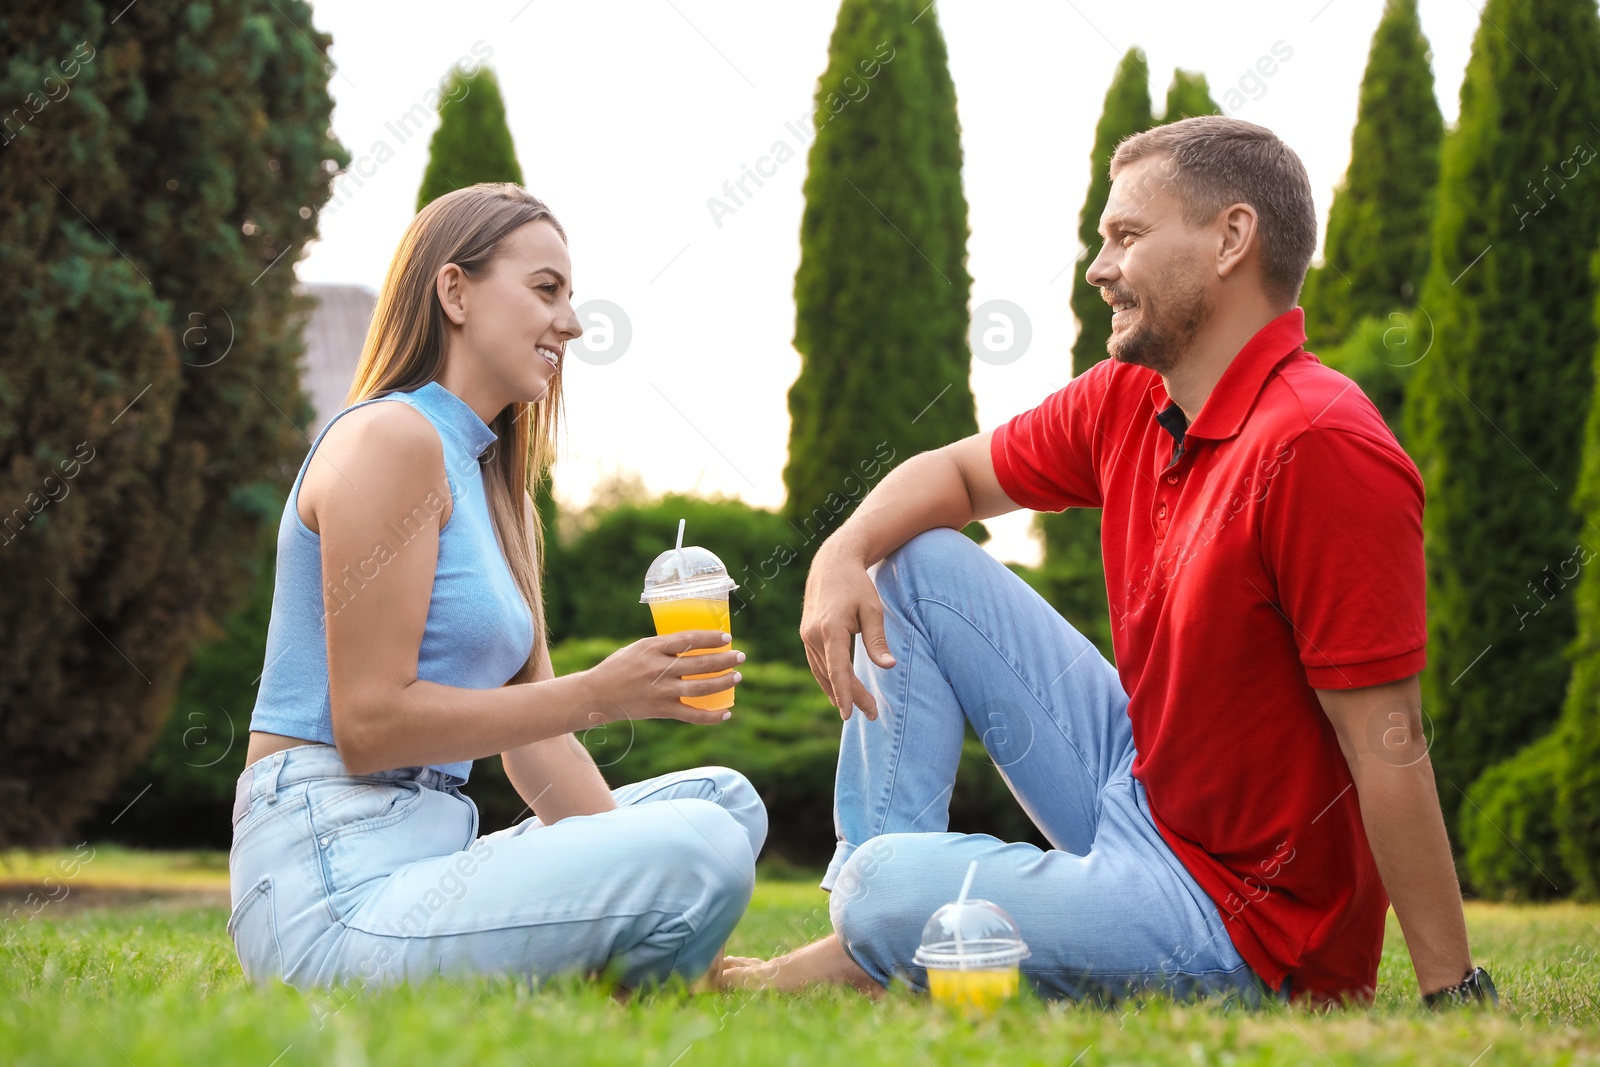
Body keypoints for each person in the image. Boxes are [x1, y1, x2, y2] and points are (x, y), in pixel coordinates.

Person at [722, 116, 1495, 1009]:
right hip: (1143, 787)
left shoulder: (1322, 445)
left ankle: (881, 913)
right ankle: (872, 947)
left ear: (1230, 239)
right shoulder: (1131, 394)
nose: (1098, 268)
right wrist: (841, 548)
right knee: (911, 560)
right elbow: (959, 474)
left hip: (1234, 920)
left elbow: (1387, 741)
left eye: (1126, 235)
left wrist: (1452, 992)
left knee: (881, 886)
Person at [228, 183, 765, 993]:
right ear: (455, 292)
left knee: (722, 804)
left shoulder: (494, 484)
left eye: (570, 298)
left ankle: (657, 967)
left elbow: (535, 741)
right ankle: (658, 984)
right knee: (702, 844)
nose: (573, 324)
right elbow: (368, 725)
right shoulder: (391, 438)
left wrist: (654, 885)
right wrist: (601, 695)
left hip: (428, 855)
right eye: (546, 290)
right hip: (333, 884)